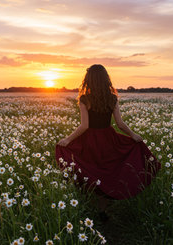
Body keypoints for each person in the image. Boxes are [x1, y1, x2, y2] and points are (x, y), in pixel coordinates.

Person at [55, 64, 161, 220]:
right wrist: (133, 135)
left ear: (88, 80)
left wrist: (68, 140)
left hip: (90, 141)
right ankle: (102, 211)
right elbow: (119, 124)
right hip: (109, 139)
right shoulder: (112, 98)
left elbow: (85, 126)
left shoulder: (85, 99)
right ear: (106, 79)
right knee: (107, 171)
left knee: (92, 170)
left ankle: (91, 203)